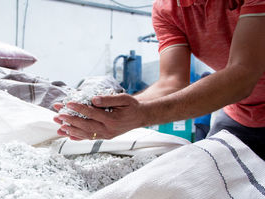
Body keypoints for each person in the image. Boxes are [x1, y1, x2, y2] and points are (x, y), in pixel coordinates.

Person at [53, 0, 265, 160]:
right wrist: (112, 111)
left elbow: (243, 73)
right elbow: (171, 82)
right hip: (241, 115)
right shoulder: (167, 10)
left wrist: (143, 115)